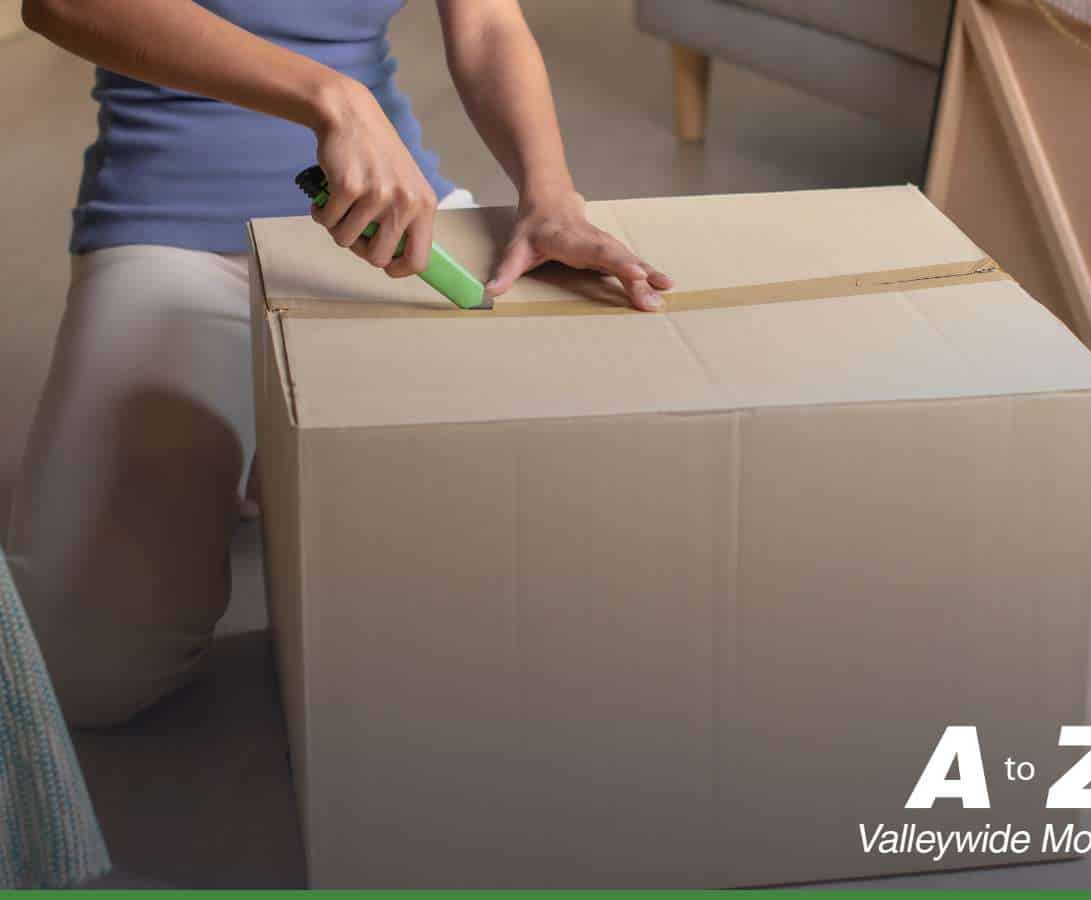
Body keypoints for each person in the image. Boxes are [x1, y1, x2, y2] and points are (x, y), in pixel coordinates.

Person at [7, 0, 674, 728]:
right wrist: (329, 95)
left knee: (555, 561)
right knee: (81, 674)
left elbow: (486, 24)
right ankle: (256, 427)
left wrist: (552, 197)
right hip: (175, 230)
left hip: (390, 222)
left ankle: (264, 435)